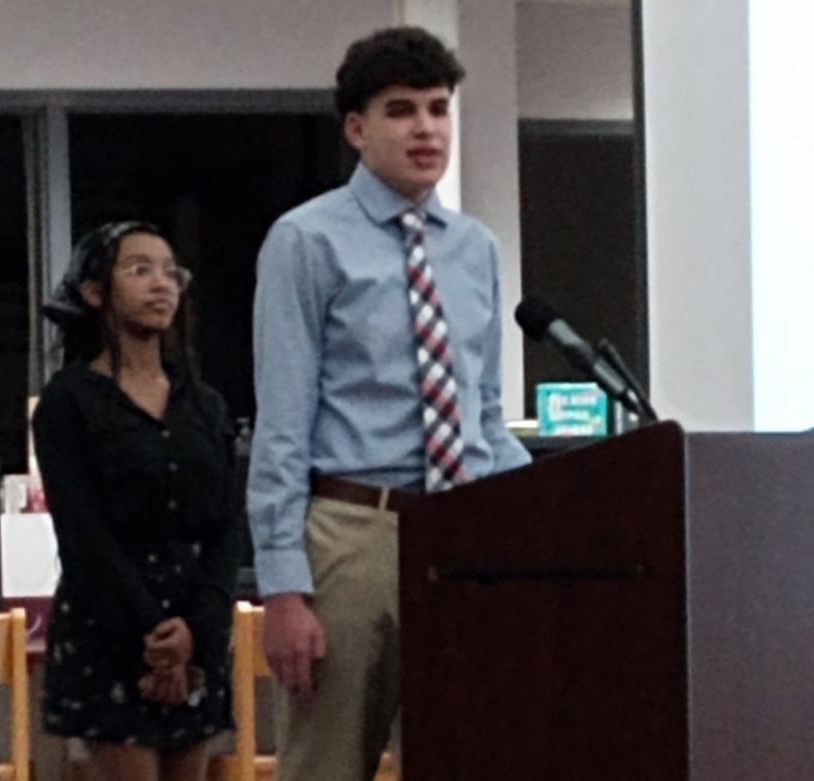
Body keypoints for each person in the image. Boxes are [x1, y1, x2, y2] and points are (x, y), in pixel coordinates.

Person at [247, 26, 531, 781]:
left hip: (464, 532)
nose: (427, 129)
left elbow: (486, 415)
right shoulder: (306, 241)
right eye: (402, 111)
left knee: (467, 754)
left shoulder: (474, 248)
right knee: (327, 765)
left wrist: (542, 511)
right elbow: (281, 422)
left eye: (439, 109)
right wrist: (282, 586)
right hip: (352, 535)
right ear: (356, 128)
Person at [32, 221, 241, 781]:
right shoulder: (68, 401)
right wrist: (154, 635)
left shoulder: (204, 403)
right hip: (111, 623)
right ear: (95, 291)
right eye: (139, 269)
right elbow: (82, 535)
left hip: (195, 623)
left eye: (171, 272)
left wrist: (197, 628)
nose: (161, 285)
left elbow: (227, 522)